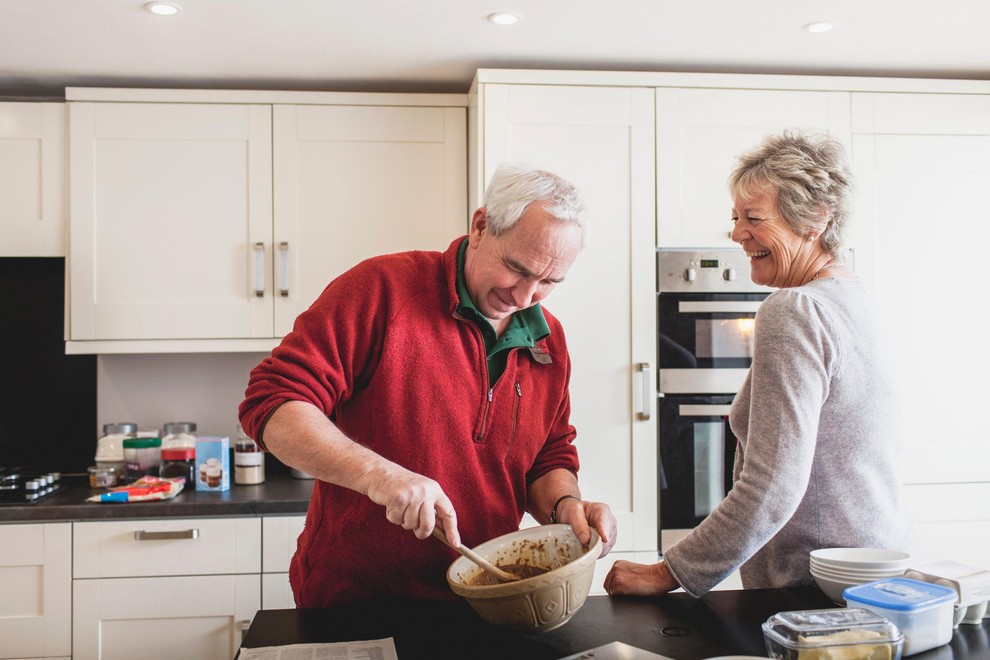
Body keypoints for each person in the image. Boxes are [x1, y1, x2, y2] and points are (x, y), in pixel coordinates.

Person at [239, 162, 618, 607]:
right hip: (358, 600)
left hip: (490, 598)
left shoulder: (548, 339)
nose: (523, 297)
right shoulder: (383, 290)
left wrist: (564, 506)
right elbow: (273, 400)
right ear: (481, 227)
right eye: (517, 268)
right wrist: (380, 476)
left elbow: (547, 456)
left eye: (549, 282)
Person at [605, 131, 914, 598]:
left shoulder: (795, 308)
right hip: (873, 574)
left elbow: (773, 483)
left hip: (814, 585)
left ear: (814, 219)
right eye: (735, 217)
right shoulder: (857, 299)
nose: (735, 233)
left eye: (753, 217)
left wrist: (666, 573)